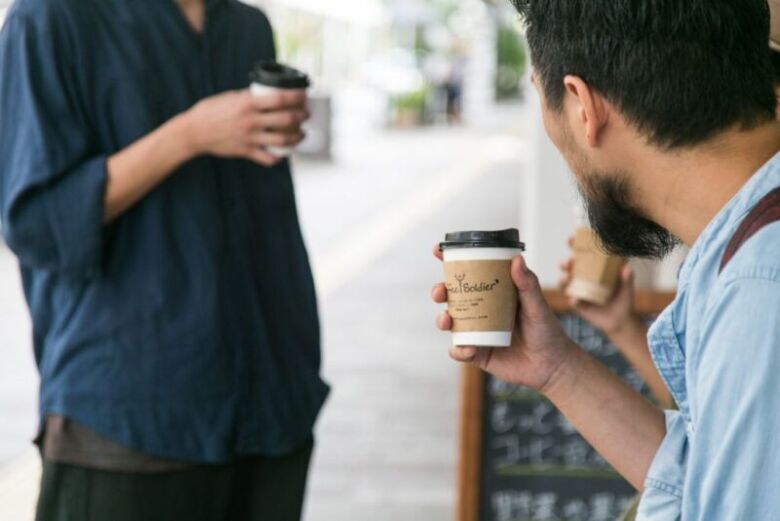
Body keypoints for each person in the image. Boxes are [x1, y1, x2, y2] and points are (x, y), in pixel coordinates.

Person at [433, 0, 780, 518]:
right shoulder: (744, 250)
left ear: (582, 106)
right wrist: (557, 370)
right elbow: (704, 480)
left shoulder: (760, 287)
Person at [0, 0, 328, 520]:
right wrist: (189, 135)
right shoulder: (50, 18)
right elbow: (38, 223)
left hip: (271, 401)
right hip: (129, 414)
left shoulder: (246, 26)